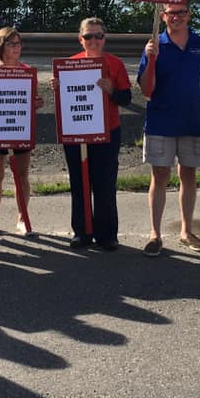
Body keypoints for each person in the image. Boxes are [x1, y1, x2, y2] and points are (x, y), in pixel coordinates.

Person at [137, 1, 200, 257]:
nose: (177, 17)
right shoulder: (154, 45)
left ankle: (186, 230)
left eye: (181, 12)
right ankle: (155, 233)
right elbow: (147, 90)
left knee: (188, 176)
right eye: (171, 13)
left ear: (189, 14)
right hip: (161, 121)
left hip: (193, 120)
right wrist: (151, 58)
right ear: (163, 16)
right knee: (159, 177)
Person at [53, 18, 132, 251]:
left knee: (105, 184)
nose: (94, 40)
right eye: (88, 36)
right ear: (81, 39)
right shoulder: (70, 65)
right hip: (77, 133)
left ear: (105, 38)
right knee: (79, 183)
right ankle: (82, 232)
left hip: (108, 132)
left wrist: (112, 90)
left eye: (98, 36)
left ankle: (107, 235)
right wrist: (58, 86)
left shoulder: (115, 64)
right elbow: (66, 99)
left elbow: (126, 98)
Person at [0, 27, 43, 238]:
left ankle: (22, 219)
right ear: (1, 46)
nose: (16, 48)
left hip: (20, 128)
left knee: (22, 175)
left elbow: (31, 102)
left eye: (18, 44)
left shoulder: (27, 71)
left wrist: (36, 103)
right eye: (11, 44)